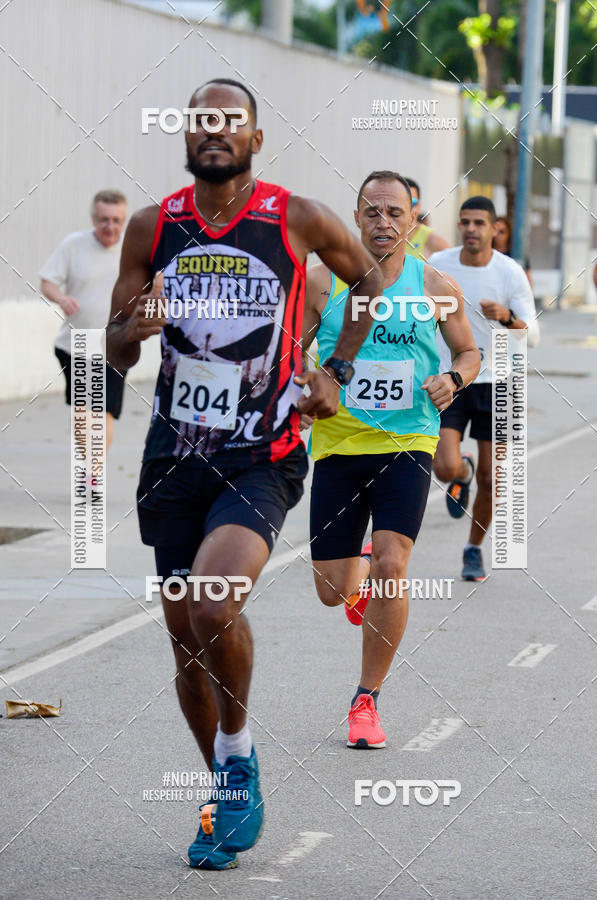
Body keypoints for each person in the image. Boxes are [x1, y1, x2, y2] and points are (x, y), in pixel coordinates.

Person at [106, 78, 382, 870]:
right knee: (185, 641)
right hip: (171, 458)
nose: (215, 130)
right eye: (203, 120)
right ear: (187, 135)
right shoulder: (155, 225)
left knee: (212, 601)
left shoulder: (294, 217)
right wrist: (134, 327)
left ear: (257, 140)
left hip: (261, 453)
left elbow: (366, 281)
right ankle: (229, 784)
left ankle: (237, 747)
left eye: (232, 121)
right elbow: (115, 350)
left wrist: (335, 366)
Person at [302, 171, 479, 749]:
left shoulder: (434, 284)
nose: (383, 223)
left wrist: (454, 378)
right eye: (371, 212)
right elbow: (293, 348)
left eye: (394, 213)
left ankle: (366, 699)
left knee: (391, 562)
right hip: (337, 445)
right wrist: (300, 388)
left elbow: (469, 349)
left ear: (413, 219)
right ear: (355, 219)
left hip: (408, 443)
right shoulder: (324, 280)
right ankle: (354, 591)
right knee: (330, 589)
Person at [429, 196, 540, 581]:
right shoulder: (439, 267)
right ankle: (461, 473)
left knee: (493, 480)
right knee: (444, 466)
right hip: (454, 376)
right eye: (465, 222)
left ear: (495, 228)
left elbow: (533, 334)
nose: (471, 229)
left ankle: (473, 549)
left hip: (501, 381)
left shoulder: (509, 272)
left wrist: (507, 317)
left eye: (479, 223)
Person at [40, 190, 128, 456]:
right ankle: (88, 466)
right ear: (93, 218)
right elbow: (47, 282)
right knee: (84, 410)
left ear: (123, 221)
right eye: (103, 219)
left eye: (116, 220)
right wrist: (62, 298)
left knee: (105, 413)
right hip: (76, 343)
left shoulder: (132, 248)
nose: (109, 226)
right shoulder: (73, 244)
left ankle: (93, 472)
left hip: (115, 344)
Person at [403, 177, 449, 260]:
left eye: (412, 203)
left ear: (419, 206)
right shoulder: (383, 237)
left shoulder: (433, 242)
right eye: (402, 203)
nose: (407, 209)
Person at [492, 215, 534, 290]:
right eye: (495, 231)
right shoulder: (487, 255)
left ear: (508, 234)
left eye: (502, 232)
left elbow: (528, 283)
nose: (497, 235)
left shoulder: (517, 255)